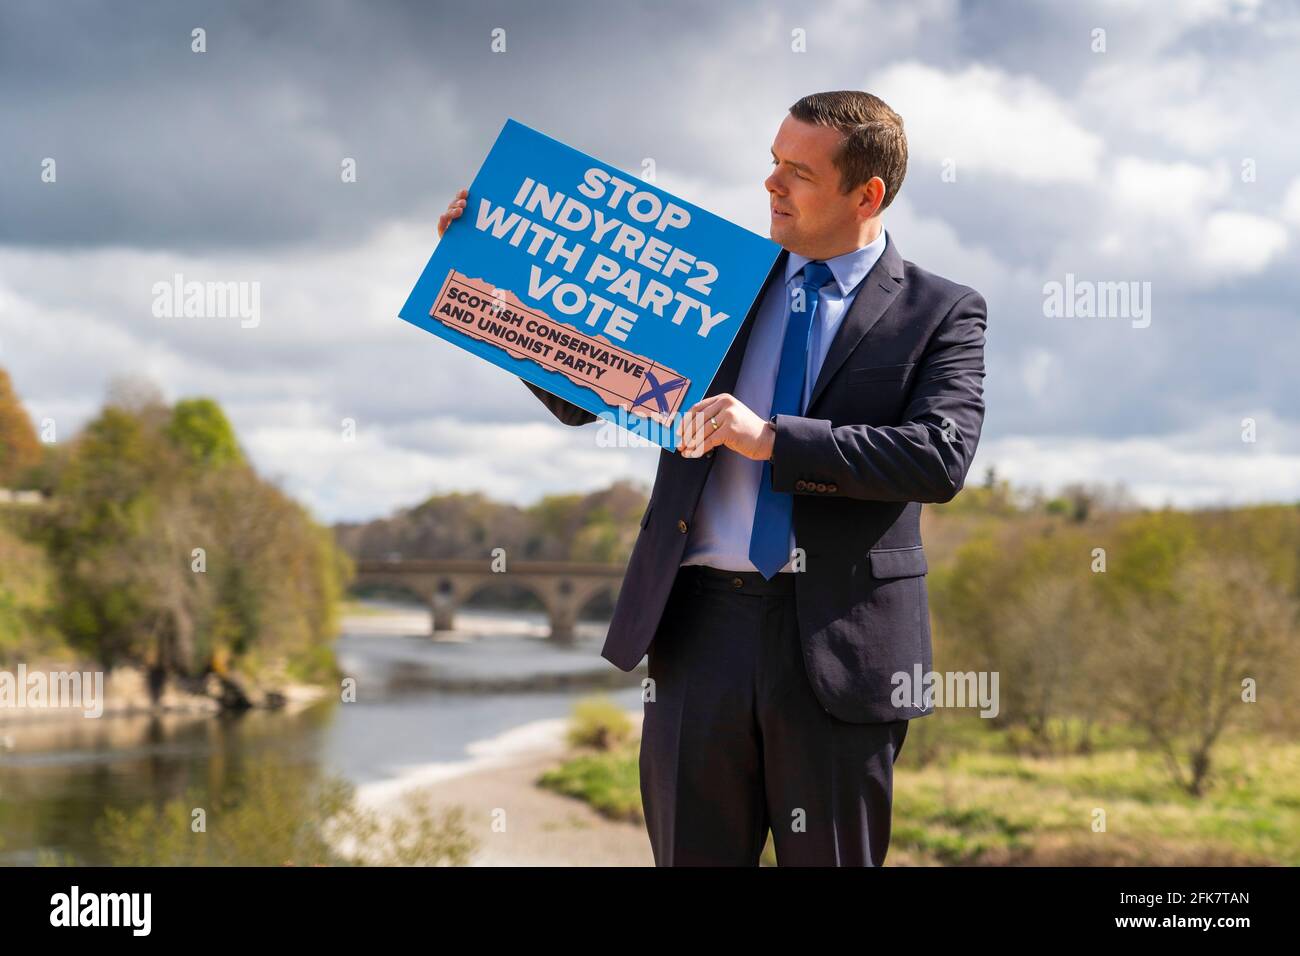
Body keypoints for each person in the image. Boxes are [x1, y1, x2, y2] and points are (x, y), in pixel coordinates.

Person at [436, 90, 988, 866]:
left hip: (839, 644)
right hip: (697, 633)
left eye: (797, 172)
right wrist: (483, 272)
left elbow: (938, 456)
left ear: (866, 194)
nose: (771, 185)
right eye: (772, 163)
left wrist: (775, 440)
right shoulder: (717, 282)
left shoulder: (943, 311)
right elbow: (580, 398)